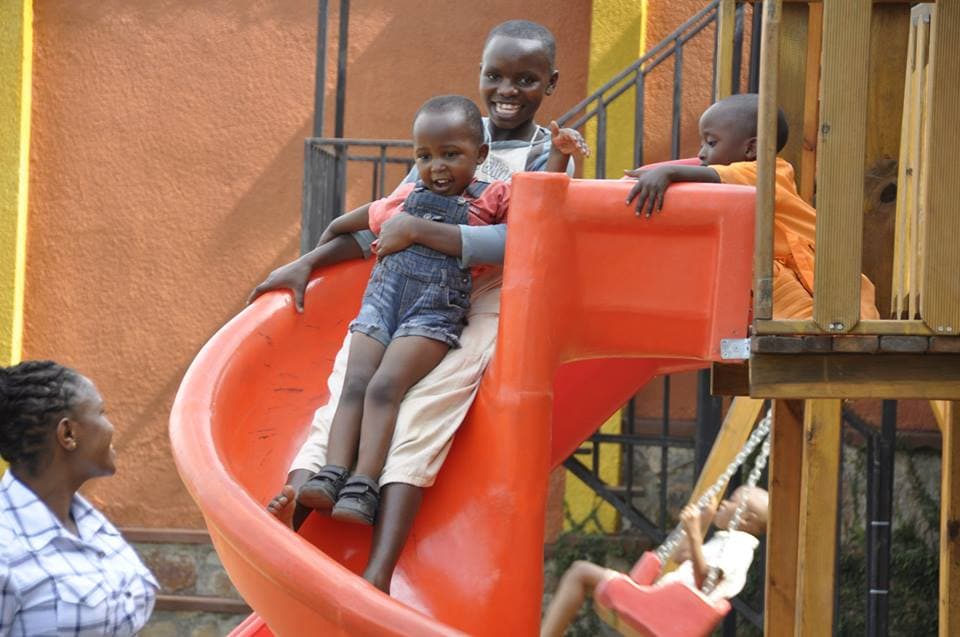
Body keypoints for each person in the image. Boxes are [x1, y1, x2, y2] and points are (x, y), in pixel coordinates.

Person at [254, 20, 588, 592]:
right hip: (408, 286)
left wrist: (423, 234)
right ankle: (299, 501)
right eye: (495, 75)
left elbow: (525, 240)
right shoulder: (449, 128)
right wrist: (310, 261)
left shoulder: (544, 155)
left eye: (526, 80)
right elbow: (393, 216)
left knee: (427, 402)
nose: (507, 89)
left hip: (489, 293)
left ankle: (378, 570)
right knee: (348, 383)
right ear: (481, 76)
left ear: (550, 84)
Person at [296, 94, 512, 525]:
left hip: (433, 312)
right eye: (425, 155)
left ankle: (363, 486)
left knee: (385, 387)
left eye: (452, 155)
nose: (437, 167)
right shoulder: (404, 197)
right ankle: (331, 473)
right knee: (355, 381)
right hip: (383, 299)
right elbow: (345, 225)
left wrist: (559, 160)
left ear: (481, 155)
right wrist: (309, 261)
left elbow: (527, 230)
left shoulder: (494, 198)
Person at [624, 92, 880, 321]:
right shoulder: (735, 186)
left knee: (790, 299)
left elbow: (714, 176)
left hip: (818, 276)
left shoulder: (768, 170)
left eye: (711, 143)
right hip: (795, 276)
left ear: (751, 148)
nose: (702, 153)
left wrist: (667, 172)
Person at [0, 360, 158, 636]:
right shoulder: (7, 548)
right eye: (101, 412)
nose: (110, 426)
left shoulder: (92, 526)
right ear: (68, 434)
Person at [540, 486, 768, 637]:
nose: (724, 504)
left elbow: (705, 582)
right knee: (585, 580)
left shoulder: (739, 550)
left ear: (747, 519)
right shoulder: (725, 542)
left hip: (665, 612)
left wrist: (697, 537)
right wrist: (702, 522)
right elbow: (680, 557)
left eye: (731, 502)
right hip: (664, 607)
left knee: (580, 572)